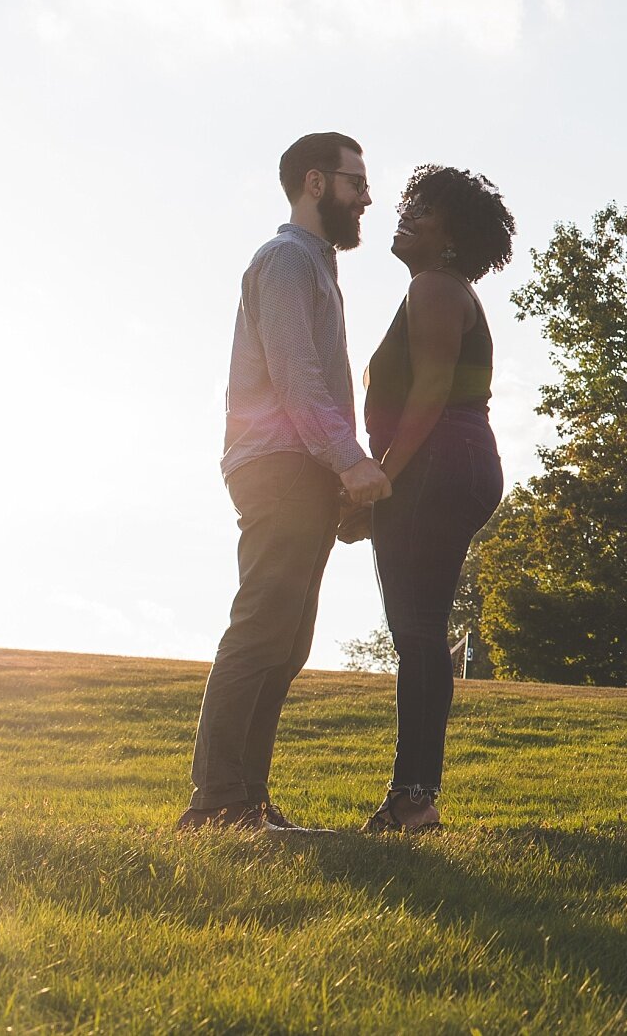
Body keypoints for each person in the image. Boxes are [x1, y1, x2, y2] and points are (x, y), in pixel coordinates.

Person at [179, 133, 393, 831]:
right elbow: (296, 377)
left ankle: (246, 799)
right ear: (314, 181)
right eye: (355, 181)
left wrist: (337, 476)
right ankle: (215, 801)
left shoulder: (318, 269)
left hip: (302, 469)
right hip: (277, 465)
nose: (366, 196)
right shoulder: (284, 261)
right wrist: (351, 462)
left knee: (289, 637)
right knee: (262, 625)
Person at [344, 164, 514, 832]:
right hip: (459, 460)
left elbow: (433, 385)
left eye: (426, 207)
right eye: (409, 201)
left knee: (416, 634)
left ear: (453, 236)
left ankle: (413, 800)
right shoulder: (442, 287)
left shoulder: (437, 286)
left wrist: (380, 476)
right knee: (423, 632)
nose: (405, 212)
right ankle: (416, 796)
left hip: (440, 458)